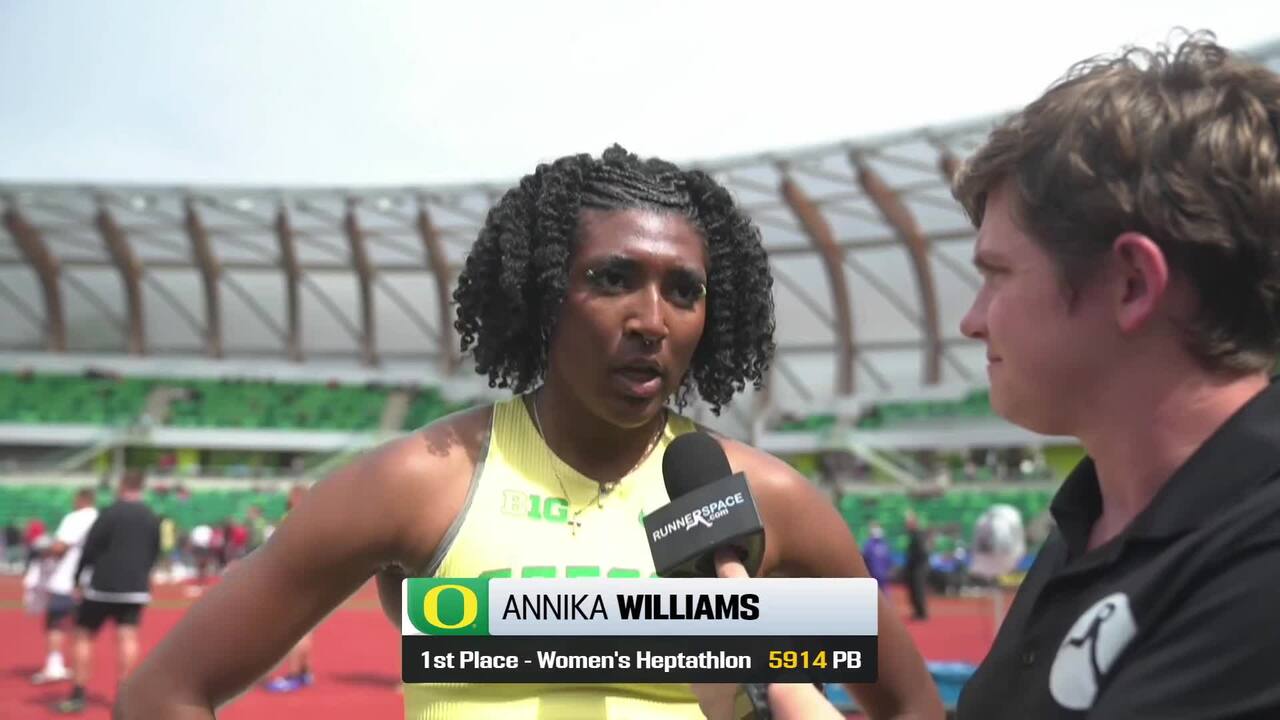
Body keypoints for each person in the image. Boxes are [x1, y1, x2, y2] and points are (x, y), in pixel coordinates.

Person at [116, 145, 943, 719]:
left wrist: (774, 679)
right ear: (543, 294)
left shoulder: (769, 502)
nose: (651, 320)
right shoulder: (422, 483)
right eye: (612, 279)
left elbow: (912, 706)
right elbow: (162, 694)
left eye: (683, 291)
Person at [754, 31, 1280, 719]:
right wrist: (765, 661)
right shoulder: (1090, 519)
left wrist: (773, 674)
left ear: (1131, 284)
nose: (971, 321)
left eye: (997, 274)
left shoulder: (1260, 563)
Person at [57, 470, 160, 714]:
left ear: (122, 485)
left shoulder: (109, 513)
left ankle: (78, 694)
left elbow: (90, 548)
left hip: (103, 586)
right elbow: (155, 551)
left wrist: (77, 577)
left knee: (83, 634)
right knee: (127, 636)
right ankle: (124, 696)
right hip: (135, 586)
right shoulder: (150, 516)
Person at [31, 488, 99, 685]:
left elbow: (60, 547)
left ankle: (55, 665)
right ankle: (80, 672)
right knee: (82, 627)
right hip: (91, 580)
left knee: (55, 623)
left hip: (67, 578)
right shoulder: (100, 518)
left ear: (81, 499)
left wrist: (44, 550)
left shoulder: (75, 518)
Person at [262, 486, 316, 693]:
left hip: (297, 579)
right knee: (306, 628)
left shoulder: (293, 521)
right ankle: (304, 671)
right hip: (312, 579)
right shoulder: (315, 519)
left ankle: (294, 675)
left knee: (294, 630)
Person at [903, 515, 930, 620]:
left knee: (918, 589)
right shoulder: (913, 535)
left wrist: (916, 562)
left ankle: (921, 612)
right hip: (914, 567)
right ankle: (917, 611)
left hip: (918, 567)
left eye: (908, 524)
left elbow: (922, 552)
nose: (906, 526)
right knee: (914, 590)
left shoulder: (918, 535)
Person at [861, 520, 894, 594]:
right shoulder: (869, 544)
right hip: (873, 575)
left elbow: (888, 559)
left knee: (885, 595)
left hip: (884, 576)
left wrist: (889, 570)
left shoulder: (885, 543)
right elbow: (865, 559)